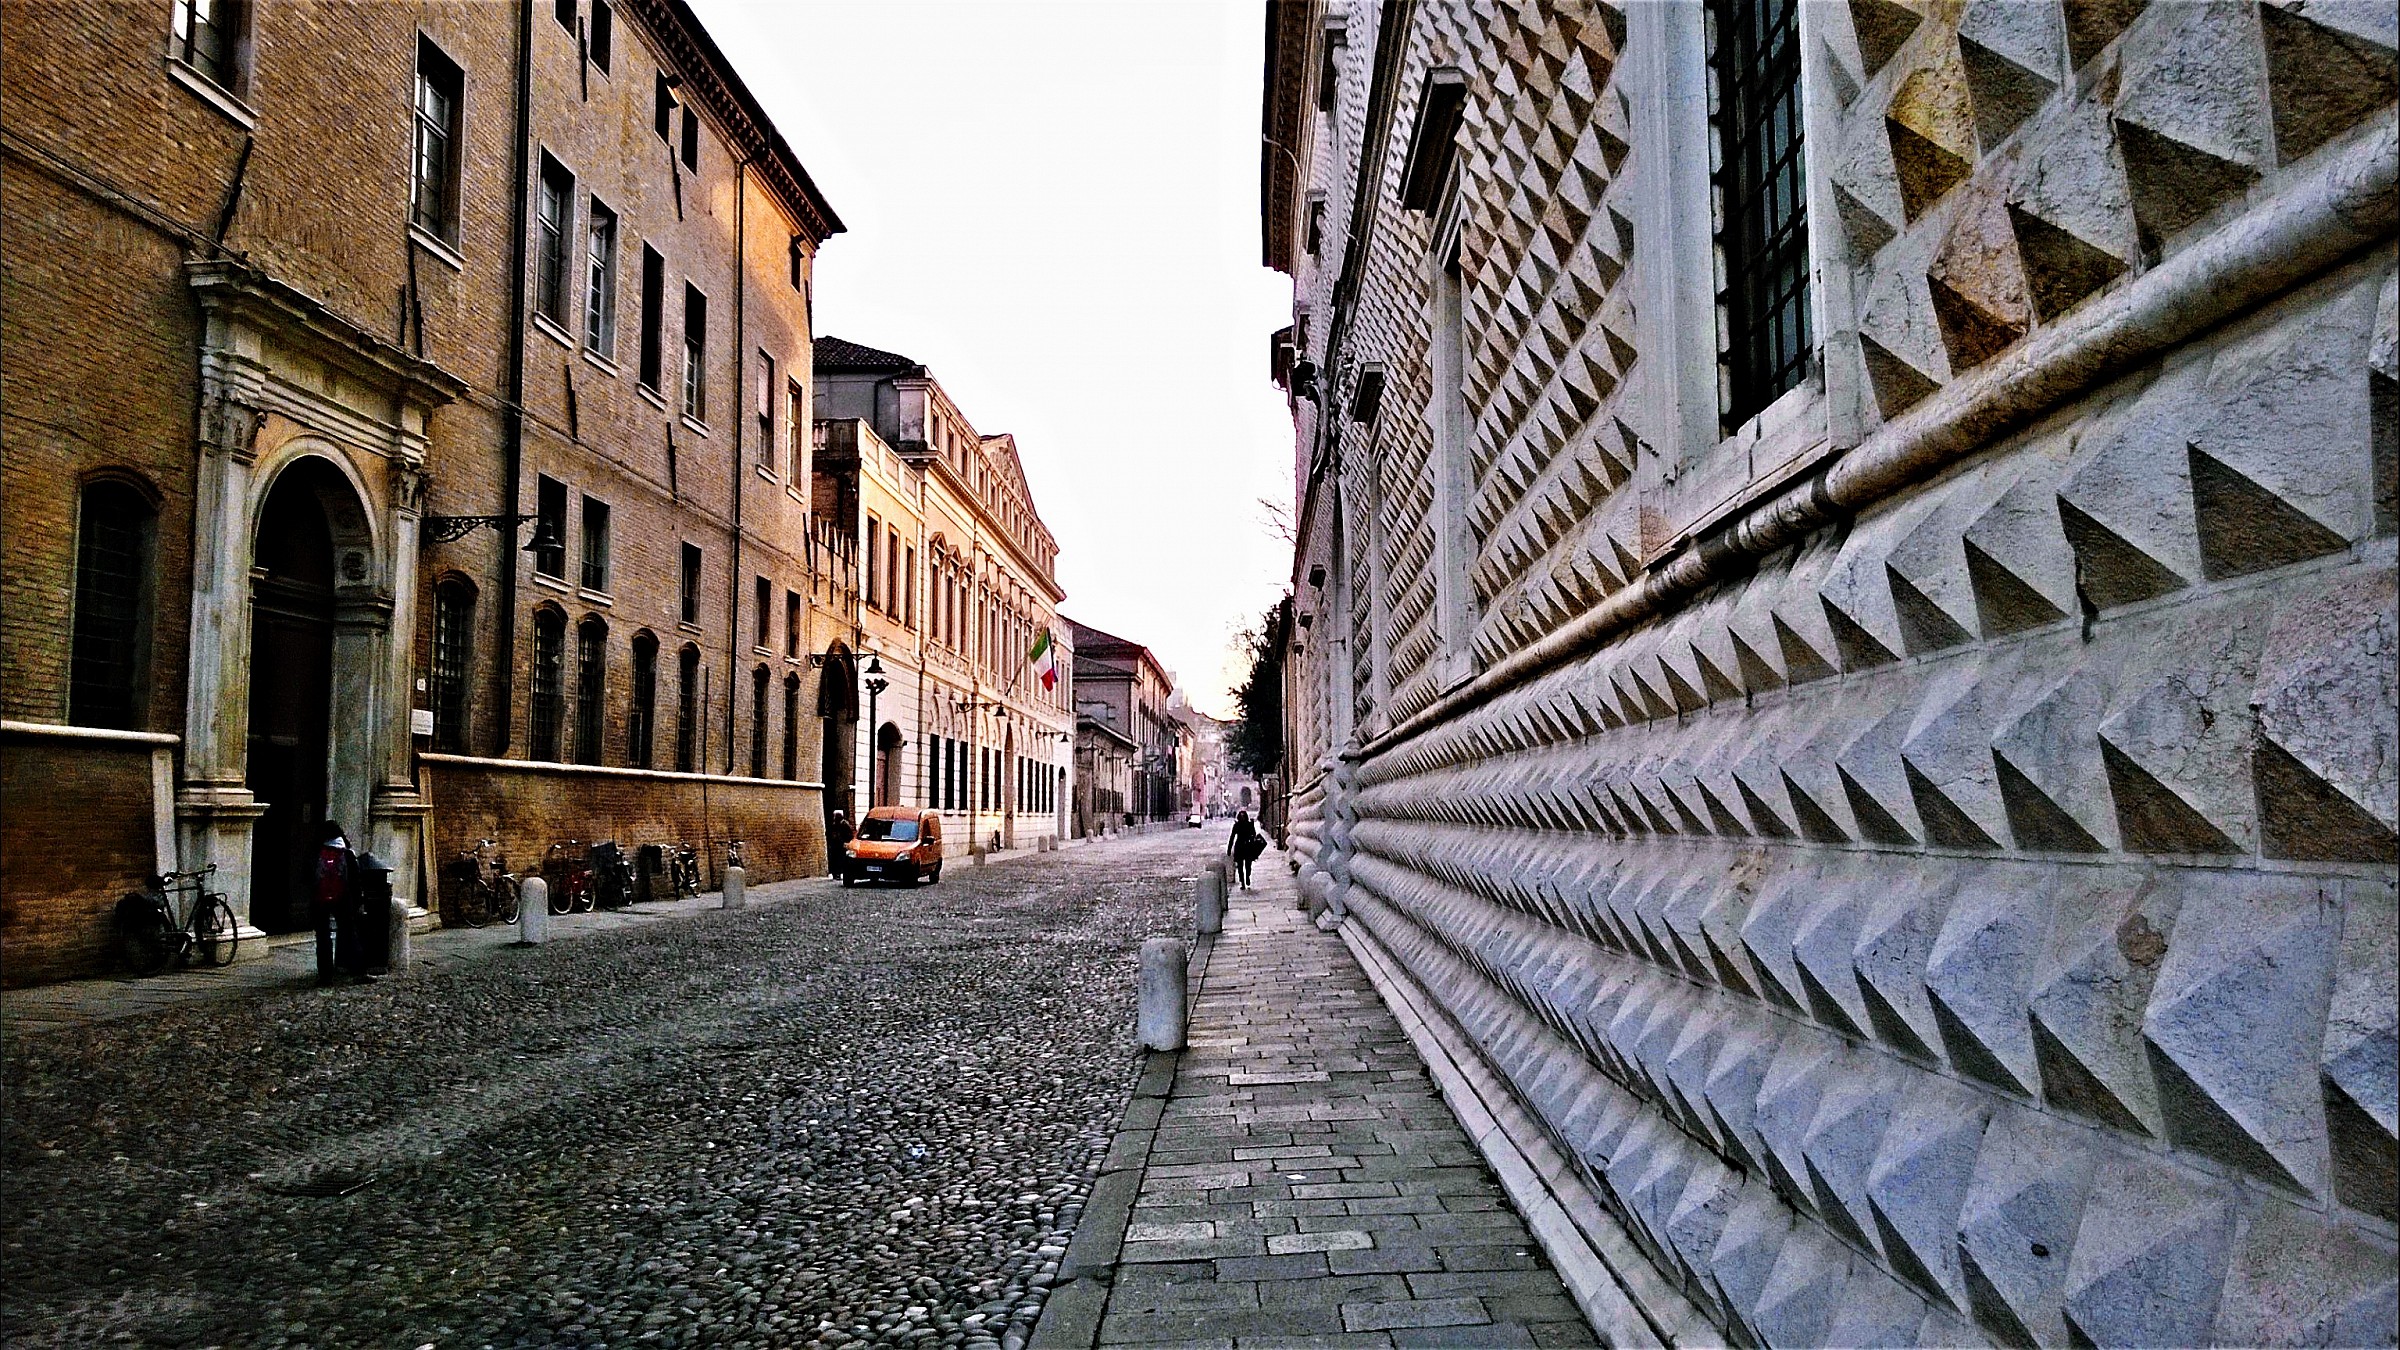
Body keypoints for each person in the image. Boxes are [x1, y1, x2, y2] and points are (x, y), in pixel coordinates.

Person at [312, 821, 355, 986]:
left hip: (319, 900)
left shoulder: (316, 852)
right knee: (349, 933)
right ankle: (356, 969)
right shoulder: (346, 852)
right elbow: (354, 879)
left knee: (323, 937)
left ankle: (325, 976)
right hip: (343, 898)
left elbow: (307, 876)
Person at [1228, 810, 1265, 891]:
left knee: (1248, 865)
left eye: (1243, 816)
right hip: (1240, 846)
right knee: (1240, 866)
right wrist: (1229, 848)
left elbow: (1254, 834)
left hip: (1247, 846)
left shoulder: (1249, 824)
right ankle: (1242, 882)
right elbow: (1232, 837)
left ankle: (1247, 877)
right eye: (1241, 816)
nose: (1242, 818)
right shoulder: (1237, 825)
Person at [827, 809, 853, 882]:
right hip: (835, 845)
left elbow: (849, 834)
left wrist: (845, 842)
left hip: (841, 845)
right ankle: (835, 873)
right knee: (835, 859)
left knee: (840, 859)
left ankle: (838, 873)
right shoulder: (834, 824)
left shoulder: (845, 824)